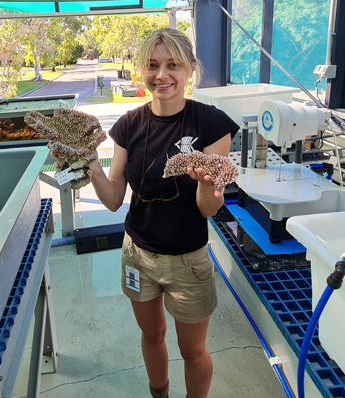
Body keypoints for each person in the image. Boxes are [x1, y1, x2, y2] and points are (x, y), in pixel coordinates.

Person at [88, 27, 240, 398]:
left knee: (193, 351)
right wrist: (88, 159)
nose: (162, 75)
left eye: (173, 64)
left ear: (189, 69)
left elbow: (208, 209)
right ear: (142, 70)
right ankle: (160, 393)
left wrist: (206, 180)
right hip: (137, 253)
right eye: (152, 65)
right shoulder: (128, 125)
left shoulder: (212, 124)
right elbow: (112, 199)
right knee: (152, 334)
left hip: (188, 258)